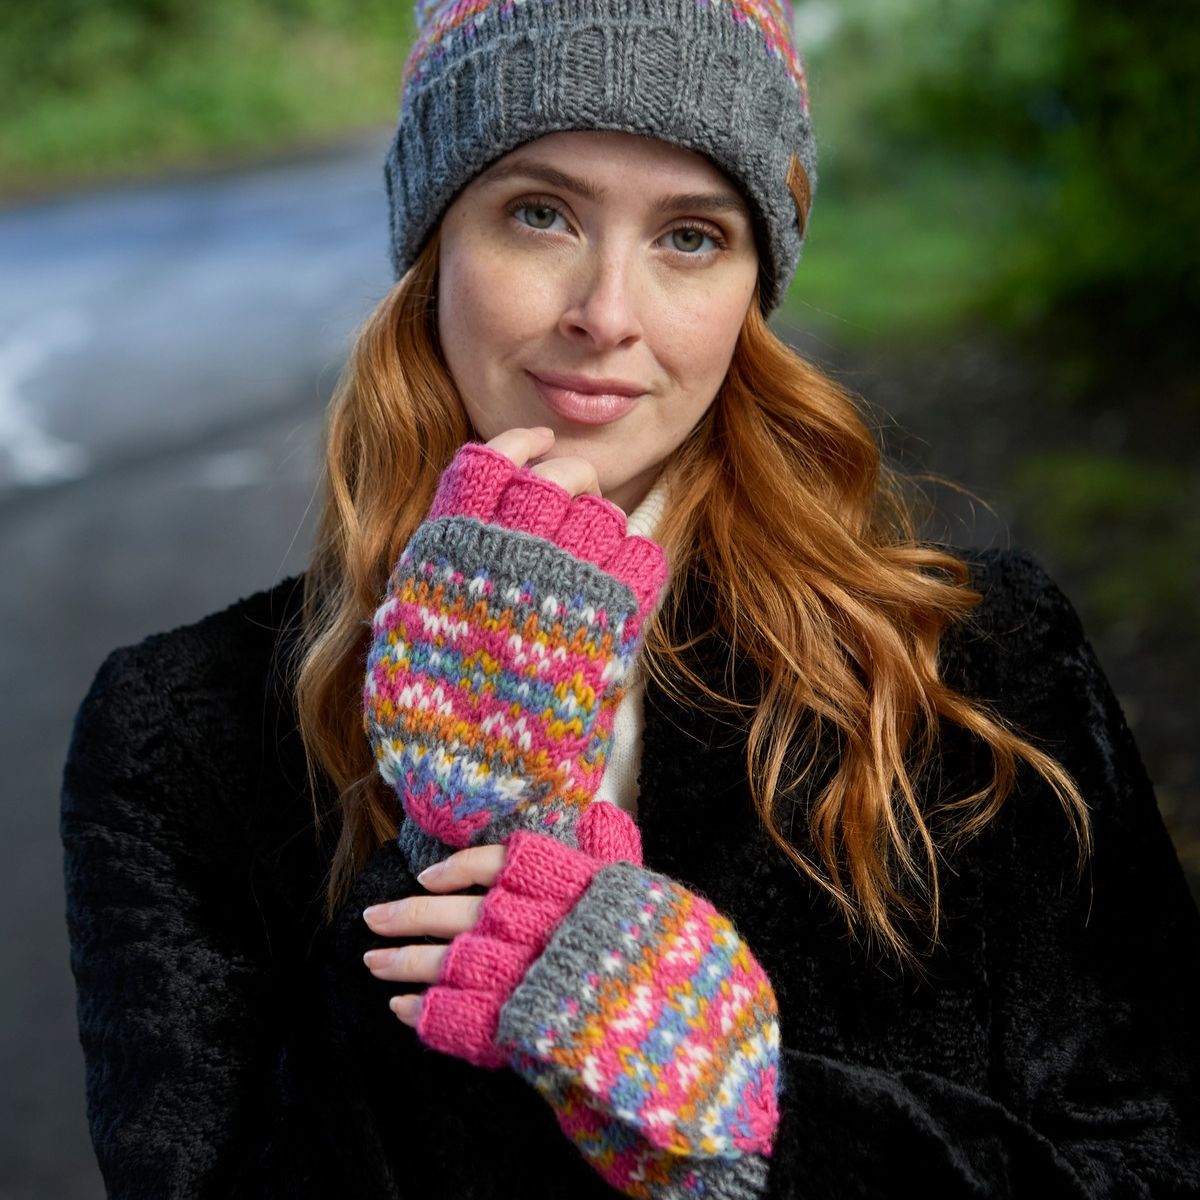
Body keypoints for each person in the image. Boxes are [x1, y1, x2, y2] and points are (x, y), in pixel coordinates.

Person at [60, 0, 1200, 1196]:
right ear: (435, 240)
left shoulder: (977, 663)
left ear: (756, 280)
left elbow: (1151, 1157)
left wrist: (758, 1117)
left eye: (691, 236)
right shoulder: (175, 729)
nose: (605, 314)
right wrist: (474, 819)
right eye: (539, 214)